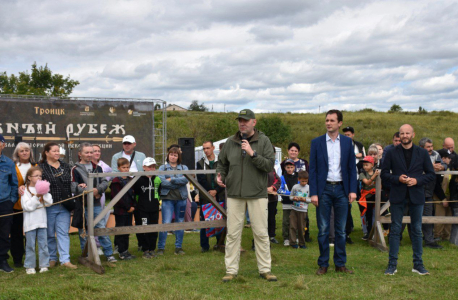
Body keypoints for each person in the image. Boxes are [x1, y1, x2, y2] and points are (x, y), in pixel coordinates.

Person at [216, 109, 277, 282]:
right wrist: (219, 174)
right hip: (234, 193)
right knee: (233, 234)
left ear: (254, 122)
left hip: (257, 193)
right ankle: (231, 270)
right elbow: (222, 163)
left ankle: (265, 269)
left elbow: (269, 166)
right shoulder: (230, 142)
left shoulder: (263, 141)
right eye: (240, 120)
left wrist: (252, 153)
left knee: (260, 232)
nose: (242, 123)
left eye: (245, 120)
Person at [381, 124, 435, 276]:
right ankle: (392, 265)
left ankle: (418, 264)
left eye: (407, 133)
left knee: (417, 230)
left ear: (413, 135)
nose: (404, 135)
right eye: (402, 133)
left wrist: (417, 181)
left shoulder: (422, 153)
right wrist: (397, 178)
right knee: (395, 230)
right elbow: (384, 174)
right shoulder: (391, 152)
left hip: (416, 195)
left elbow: (430, 174)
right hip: (398, 195)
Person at [309, 109, 357, 275]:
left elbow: (352, 168)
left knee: (341, 230)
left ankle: (340, 264)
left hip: (343, 189)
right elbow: (313, 170)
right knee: (322, 229)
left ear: (340, 123)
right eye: (327, 120)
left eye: (332, 120)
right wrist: (313, 193)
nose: (328, 123)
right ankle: (323, 264)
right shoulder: (317, 143)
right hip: (324, 189)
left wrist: (352, 190)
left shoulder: (346, 142)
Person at [71, 143, 116, 262]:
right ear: (80, 154)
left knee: (101, 228)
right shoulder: (75, 169)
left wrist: (98, 190)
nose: (90, 155)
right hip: (82, 205)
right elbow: (73, 186)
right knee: (83, 230)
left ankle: (109, 254)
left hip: (96, 204)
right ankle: (86, 254)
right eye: (87, 152)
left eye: (91, 152)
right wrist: (86, 190)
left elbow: (104, 182)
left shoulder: (98, 167)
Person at [39, 142, 77, 269]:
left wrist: (79, 186)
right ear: (46, 152)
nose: (57, 153)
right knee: (49, 233)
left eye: (58, 151)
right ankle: (52, 258)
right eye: (54, 151)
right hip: (50, 205)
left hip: (65, 205)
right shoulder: (41, 167)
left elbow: (71, 183)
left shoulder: (66, 166)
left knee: (63, 233)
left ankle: (65, 260)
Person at [157, 147, 189, 256]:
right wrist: (177, 182)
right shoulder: (162, 167)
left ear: (178, 157)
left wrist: (172, 180)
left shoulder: (184, 167)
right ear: (168, 155)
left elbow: (185, 180)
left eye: (175, 155)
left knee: (180, 222)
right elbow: (162, 182)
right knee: (166, 222)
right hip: (167, 199)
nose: (173, 156)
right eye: (171, 154)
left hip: (181, 198)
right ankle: (161, 247)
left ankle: (178, 247)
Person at [21, 166, 52, 274]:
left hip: (42, 222)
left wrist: (43, 195)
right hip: (30, 223)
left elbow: (49, 203)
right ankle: (30, 266)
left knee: (43, 244)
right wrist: (37, 197)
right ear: (29, 177)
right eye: (36, 176)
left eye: (40, 176)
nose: (39, 178)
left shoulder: (43, 189)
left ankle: (44, 265)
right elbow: (28, 207)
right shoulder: (25, 190)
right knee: (30, 245)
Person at [196, 141, 225, 252]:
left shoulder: (222, 161)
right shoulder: (200, 163)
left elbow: (225, 178)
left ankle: (220, 243)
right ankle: (204, 246)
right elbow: (201, 179)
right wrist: (210, 191)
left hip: (220, 195)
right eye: (204, 148)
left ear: (213, 148)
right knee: (205, 221)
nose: (206, 150)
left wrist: (216, 191)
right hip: (206, 196)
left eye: (208, 148)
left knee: (220, 220)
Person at [12, 142, 37, 268]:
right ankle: (17, 259)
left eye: (27, 150)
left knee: (31, 232)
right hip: (16, 205)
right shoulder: (13, 166)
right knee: (16, 233)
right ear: (17, 153)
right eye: (21, 151)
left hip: (32, 205)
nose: (24, 152)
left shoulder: (36, 166)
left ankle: (30, 257)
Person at [418, 138, 446, 249]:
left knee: (428, 217)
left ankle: (429, 240)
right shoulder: (417, 154)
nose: (431, 149)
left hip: (429, 191)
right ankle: (400, 238)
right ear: (421, 147)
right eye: (428, 147)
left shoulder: (436, 154)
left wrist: (442, 167)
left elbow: (443, 164)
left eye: (431, 146)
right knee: (411, 216)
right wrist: (430, 167)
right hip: (417, 189)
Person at [132, 158, 161, 259]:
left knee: (154, 228)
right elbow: (134, 193)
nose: (151, 169)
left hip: (154, 208)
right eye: (149, 167)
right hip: (142, 209)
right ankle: (145, 249)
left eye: (153, 166)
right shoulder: (138, 179)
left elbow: (159, 192)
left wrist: (157, 202)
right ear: (144, 167)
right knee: (144, 229)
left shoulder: (157, 179)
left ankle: (152, 249)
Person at [0, 134, 19, 273]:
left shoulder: (8, 163)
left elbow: (14, 184)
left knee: (4, 233)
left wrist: (11, 200)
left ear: (3, 144)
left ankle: (2, 260)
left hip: (4, 203)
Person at [111, 158, 136, 260]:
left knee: (127, 230)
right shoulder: (115, 181)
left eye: (127, 167)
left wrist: (133, 206)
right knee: (121, 231)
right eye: (123, 167)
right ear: (118, 168)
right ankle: (121, 251)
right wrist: (127, 207)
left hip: (130, 209)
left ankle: (125, 250)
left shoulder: (130, 180)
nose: (126, 169)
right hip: (120, 210)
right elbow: (117, 197)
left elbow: (134, 194)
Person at [278, 159, 298, 246]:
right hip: (286, 202)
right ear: (285, 168)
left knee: (295, 221)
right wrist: (290, 193)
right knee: (286, 221)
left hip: (297, 203)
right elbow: (280, 190)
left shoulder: (298, 177)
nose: (290, 169)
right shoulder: (282, 177)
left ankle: (295, 237)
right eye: (288, 167)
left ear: (294, 167)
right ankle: (286, 238)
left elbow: (300, 188)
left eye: (291, 167)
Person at [358, 156, 380, 239]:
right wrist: (374, 176)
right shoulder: (362, 174)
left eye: (366, 165)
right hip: (366, 197)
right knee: (368, 215)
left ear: (372, 165)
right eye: (364, 165)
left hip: (376, 195)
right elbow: (367, 182)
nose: (364, 167)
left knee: (376, 215)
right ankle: (368, 233)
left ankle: (375, 232)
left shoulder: (377, 172)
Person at [289, 170, 311, 249]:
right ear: (298, 179)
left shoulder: (309, 188)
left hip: (303, 211)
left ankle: (302, 243)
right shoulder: (295, 187)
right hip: (294, 210)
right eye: (302, 181)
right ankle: (293, 242)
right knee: (293, 226)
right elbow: (290, 197)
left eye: (306, 181)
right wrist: (294, 198)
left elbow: (311, 199)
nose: (304, 183)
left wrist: (304, 200)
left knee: (302, 228)